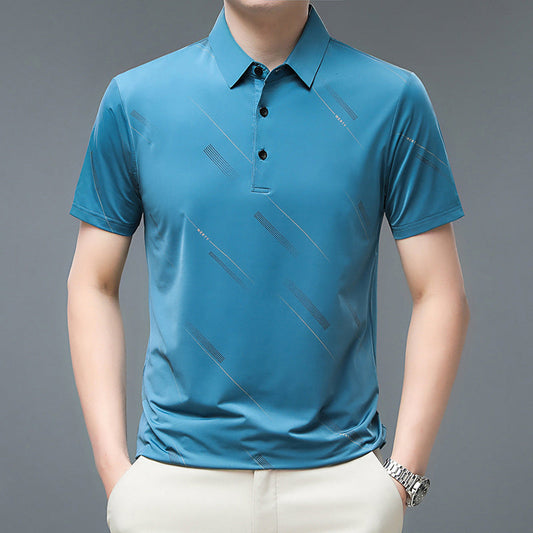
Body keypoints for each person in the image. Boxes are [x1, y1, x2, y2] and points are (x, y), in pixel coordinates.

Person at [66, 1, 470, 532]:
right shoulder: (135, 99)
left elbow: (441, 293)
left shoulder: (393, 99)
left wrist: (401, 478)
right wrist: (117, 475)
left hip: (341, 488)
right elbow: (91, 282)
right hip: (172, 486)